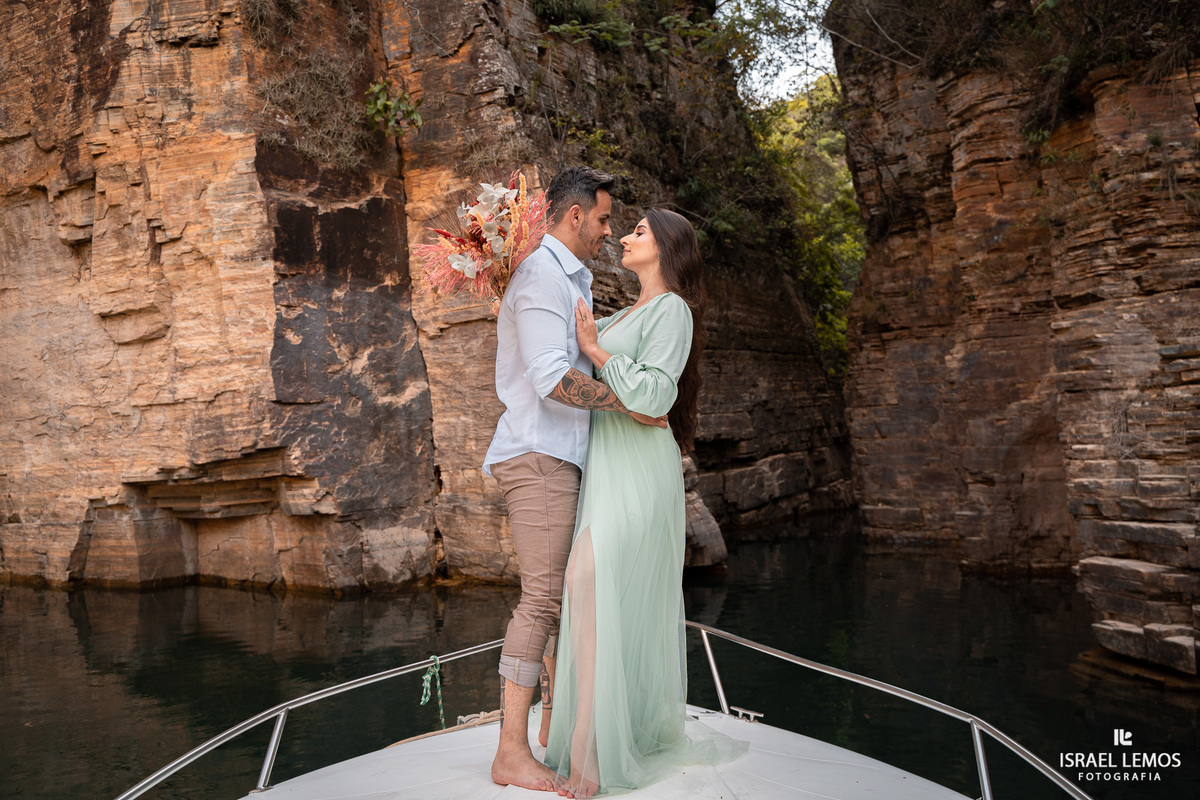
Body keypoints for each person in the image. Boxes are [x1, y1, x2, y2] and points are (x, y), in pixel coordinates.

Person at [546, 209, 744, 797]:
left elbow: (657, 395)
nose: (625, 238)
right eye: (625, 228)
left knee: (591, 581)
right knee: (588, 592)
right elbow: (589, 375)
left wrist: (598, 353)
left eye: (638, 231)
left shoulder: (671, 311)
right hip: (606, 464)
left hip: (641, 470)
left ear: (666, 248)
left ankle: (590, 754)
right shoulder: (620, 314)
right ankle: (593, 736)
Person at [484, 166, 666, 793]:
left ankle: (548, 736)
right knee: (540, 601)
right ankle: (511, 752)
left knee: (561, 602)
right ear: (573, 216)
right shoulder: (540, 278)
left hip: (563, 458)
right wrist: (629, 403)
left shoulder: (571, 279)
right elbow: (548, 379)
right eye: (605, 218)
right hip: (537, 456)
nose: (609, 231)